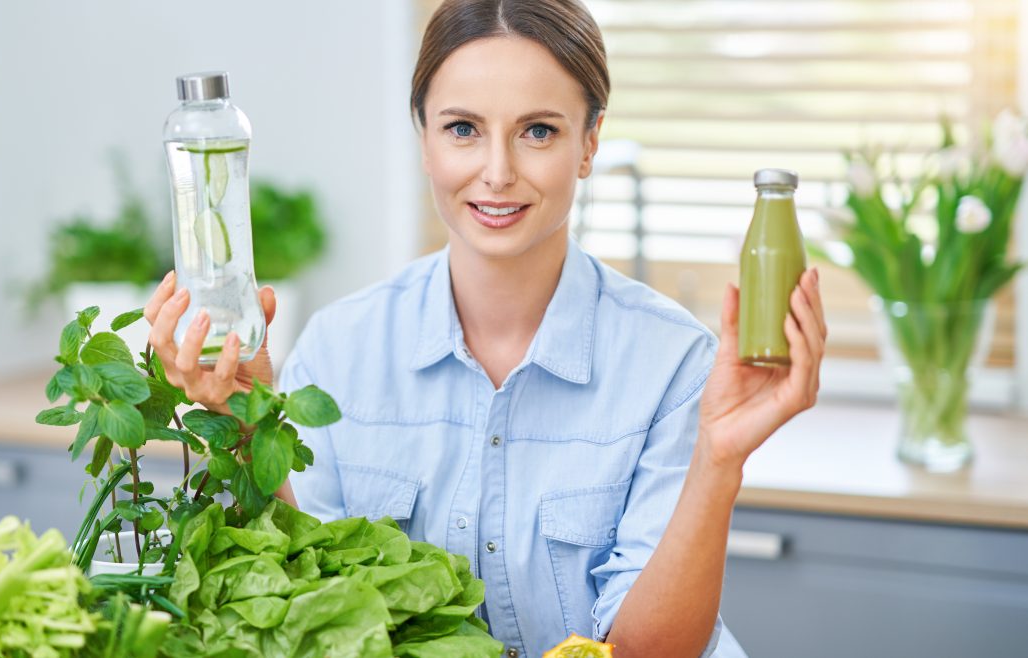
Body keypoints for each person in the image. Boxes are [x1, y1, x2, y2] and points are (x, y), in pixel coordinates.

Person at [144, 1, 827, 656]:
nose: (497, 174)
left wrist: (719, 459)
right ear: (425, 142)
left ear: (589, 143)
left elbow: (649, 652)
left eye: (539, 131)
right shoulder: (338, 350)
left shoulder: (674, 364)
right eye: (463, 128)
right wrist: (243, 427)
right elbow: (316, 612)